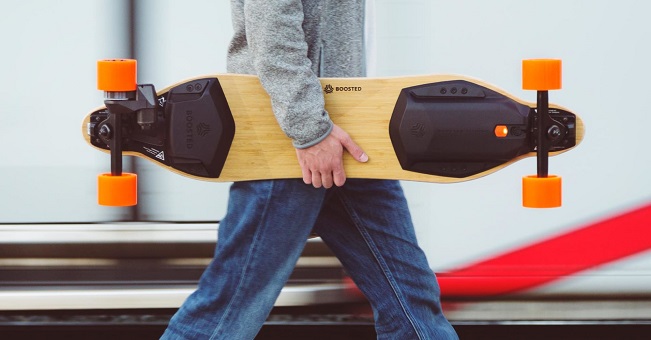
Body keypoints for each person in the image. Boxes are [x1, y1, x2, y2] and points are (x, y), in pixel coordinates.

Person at [161, 1, 459, 339]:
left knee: (410, 298)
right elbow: (272, 28)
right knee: (229, 305)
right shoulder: (305, 132)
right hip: (288, 142)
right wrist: (309, 130)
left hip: (345, 135)